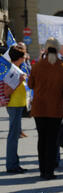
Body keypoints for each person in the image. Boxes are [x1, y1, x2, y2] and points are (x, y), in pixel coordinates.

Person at [28, 37, 63, 180]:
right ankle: (50, 170)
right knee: (53, 139)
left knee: (42, 139)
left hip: (39, 107)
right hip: (56, 108)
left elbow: (30, 85)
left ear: (46, 49)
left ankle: (43, 170)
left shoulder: (37, 66)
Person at [4, 45, 28, 174]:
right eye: (24, 56)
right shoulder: (12, 70)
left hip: (18, 105)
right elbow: (7, 91)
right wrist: (19, 81)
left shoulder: (16, 69)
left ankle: (14, 163)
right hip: (14, 105)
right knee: (13, 135)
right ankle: (12, 165)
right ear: (19, 58)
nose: (25, 58)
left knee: (14, 135)